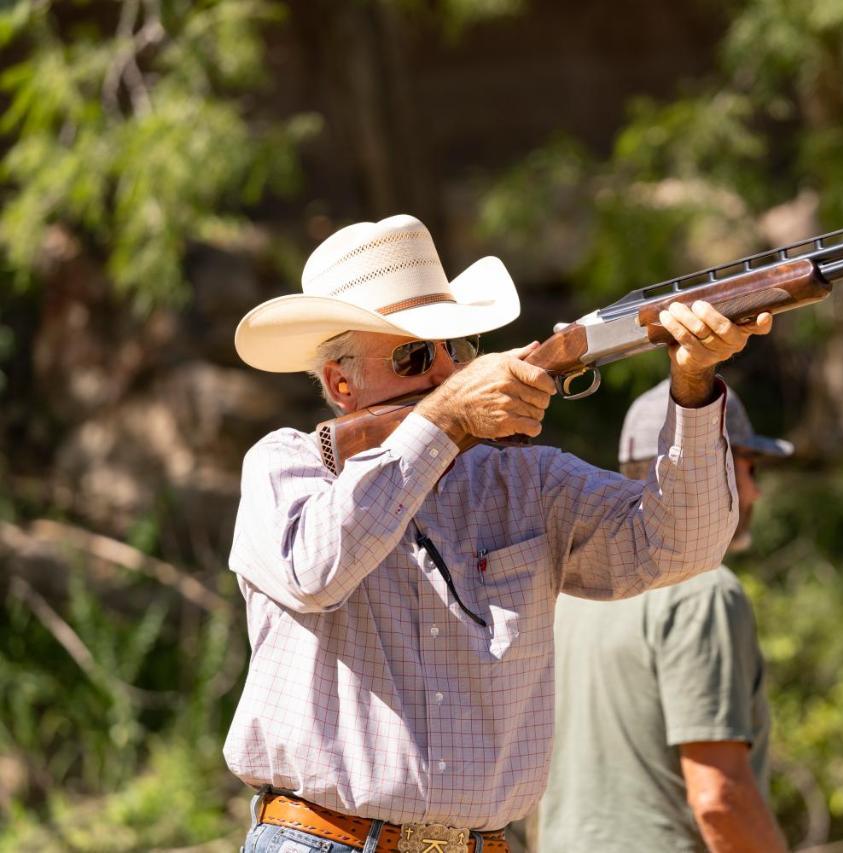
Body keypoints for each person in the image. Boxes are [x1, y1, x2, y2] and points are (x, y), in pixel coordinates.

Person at [223, 214, 773, 853]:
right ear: (341, 386)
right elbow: (313, 571)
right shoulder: (287, 464)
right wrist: (445, 422)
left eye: (455, 347)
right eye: (414, 356)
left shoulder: (524, 479)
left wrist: (694, 386)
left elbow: (684, 547)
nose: (446, 370)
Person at [538, 379, 792, 852]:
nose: (755, 491)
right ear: (703, 466)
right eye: (748, 465)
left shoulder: (564, 593)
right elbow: (719, 798)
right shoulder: (703, 593)